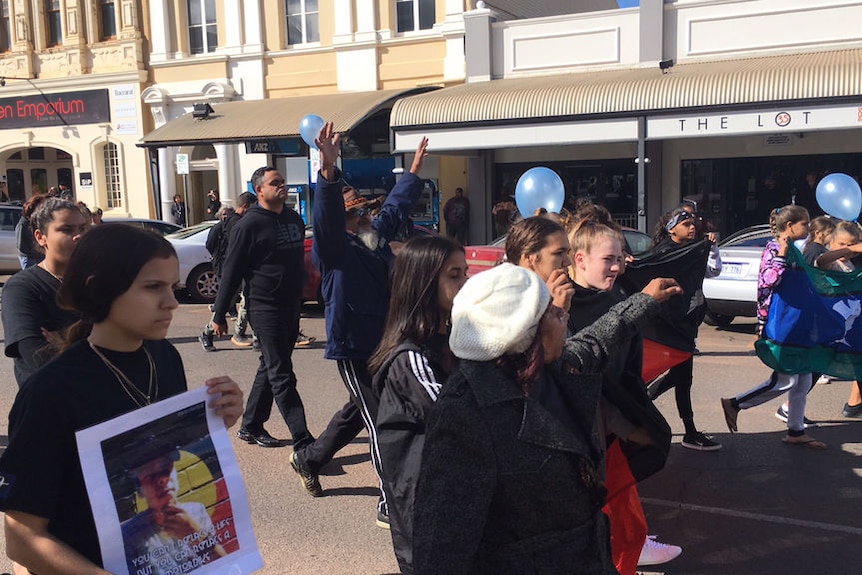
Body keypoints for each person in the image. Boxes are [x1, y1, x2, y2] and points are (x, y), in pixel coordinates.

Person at [0, 224, 243, 573]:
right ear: (99, 288)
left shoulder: (164, 358)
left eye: (172, 287)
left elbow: (164, 445)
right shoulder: (50, 392)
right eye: (153, 288)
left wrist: (214, 420)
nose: (172, 302)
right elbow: (23, 538)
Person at [412, 263, 680, 575]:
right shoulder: (466, 413)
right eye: (551, 313)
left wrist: (644, 300)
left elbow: (596, 342)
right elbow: (441, 545)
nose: (563, 315)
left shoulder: (550, 367)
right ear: (524, 333)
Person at [289, 121, 428, 529]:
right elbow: (328, 219)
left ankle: (308, 459)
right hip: (353, 345)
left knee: (359, 412)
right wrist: (328, 175)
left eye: (367, 209)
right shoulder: (334, 250)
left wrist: (415, 173)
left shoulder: (372, 238)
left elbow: (395, 210)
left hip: (385, 341)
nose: (369, 215)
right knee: (380, 420)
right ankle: (390, 500)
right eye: (359, 211)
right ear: (344, 219)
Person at [567, 216, 680, 573]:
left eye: (620, 257)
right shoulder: (563, 306)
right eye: (608, 259)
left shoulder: (615, 293)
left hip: (611, 430)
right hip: (582, 434)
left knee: (620, 509)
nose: (617, 266)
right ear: (580, 259)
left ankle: (631, 550)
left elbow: (626, 369)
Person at [368, 235, 468, 574]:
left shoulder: (452, 341)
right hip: (425, 507)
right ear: (424, 283)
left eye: (465, 273)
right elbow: (457, 416)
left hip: (455, 499)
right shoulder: (409, 358)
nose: (465, 282)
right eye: (454, 275)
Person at [211, 167, 313, 451]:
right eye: (275, 183)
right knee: (282, 372)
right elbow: (231, 272)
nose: (282, 186)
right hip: (264, 307)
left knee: (270, 366)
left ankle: (251, 425)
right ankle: (303, 440)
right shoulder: (249, 225)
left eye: (283, 182)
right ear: (259, 191)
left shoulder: (293, 219)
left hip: (291, 305)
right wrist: (219, 315)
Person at [720, 205, 828, 448]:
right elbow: (768, 280)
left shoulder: (795, 250)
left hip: (797, 322)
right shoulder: (774, 248)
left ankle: (796, 431)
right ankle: (735, 403)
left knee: (802, 380)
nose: (808, 228)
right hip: (781, 322)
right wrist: (780, 253)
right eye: (805, 223)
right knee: (786, 380)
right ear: (790, 226)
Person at [646, 207, 722, 451]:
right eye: (686, 223)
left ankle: (644, 398)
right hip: (666, 325)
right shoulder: (664, 252)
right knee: (683, 378)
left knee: (679, 376)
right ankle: (689, 432)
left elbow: (713, 271)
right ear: (672, 229)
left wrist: (712, 250)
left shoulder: (694, 249)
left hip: (686, 323)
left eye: (693, 223)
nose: (692, 227)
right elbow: (646, 268)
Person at [2, 198, 89, 386]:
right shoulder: (22, 288)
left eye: (82, 229)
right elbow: (42, 362)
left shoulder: (96, 281)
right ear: (41, 237)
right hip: (51, 408)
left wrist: (64, 342)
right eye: (66, 230)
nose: (78, 236)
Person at [121, 443, 226, 573]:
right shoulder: (127, 535)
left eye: (165, 468)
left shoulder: (197, 511)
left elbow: (225, 566)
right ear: (140, 491)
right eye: (148, 475)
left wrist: (196, 535)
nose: (162, 479)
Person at [505, 215, 575, 311]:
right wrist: (554, 310)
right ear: (528, 258)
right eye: (559, 253)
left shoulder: (574, 296)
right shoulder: (504, 303)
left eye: (567, 253)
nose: (568, 262)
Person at [15, 194, 47, 269]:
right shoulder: (23, 224)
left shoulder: (38, 222)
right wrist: (33, 253)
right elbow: (21, 246)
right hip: (30, 259)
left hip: (40, 257)